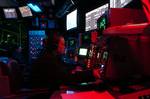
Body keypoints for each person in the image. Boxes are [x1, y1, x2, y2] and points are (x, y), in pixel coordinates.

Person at [30, 32, 101, 99]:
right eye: (63, 44)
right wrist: (91, 73)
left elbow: (62, 68)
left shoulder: (51, 56)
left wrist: (74, 68)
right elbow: (68, 79)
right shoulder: (48, 61)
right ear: (55, 46)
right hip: (45, 95)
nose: (65, 47)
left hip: (48, 91)